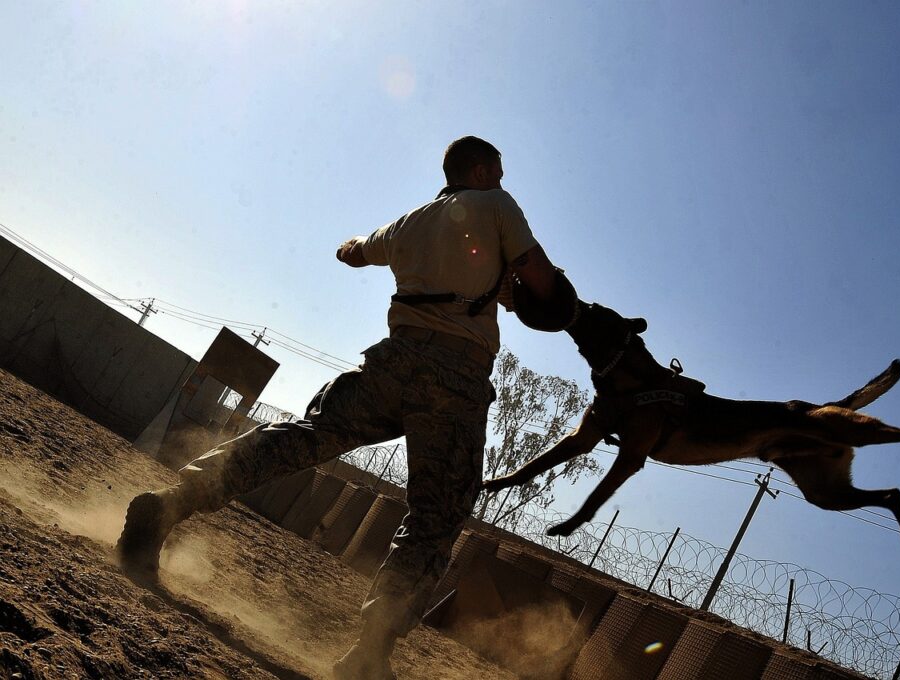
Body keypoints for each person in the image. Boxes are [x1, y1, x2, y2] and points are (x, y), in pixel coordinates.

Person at [115, 136, 569, 680]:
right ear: (479, 169)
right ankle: (370, 654)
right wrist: (556, 299)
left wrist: (364, 244)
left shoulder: (409, 223)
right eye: (497, 170)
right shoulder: (498, 205)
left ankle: (168, 504)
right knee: (436, 514)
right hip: (454, 380)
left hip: (391, 363)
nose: (502, 179)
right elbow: (541, 281)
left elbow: (352, 252)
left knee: (303, 438)